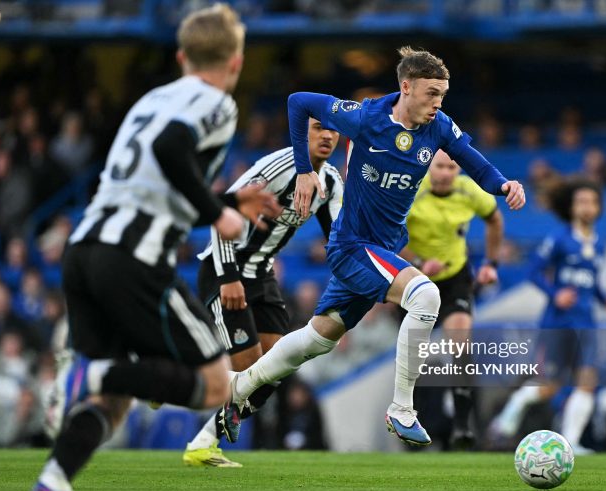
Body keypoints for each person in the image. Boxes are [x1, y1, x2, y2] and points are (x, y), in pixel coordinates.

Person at [27, 5, 277, 491]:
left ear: (182, 56)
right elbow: (171, 150)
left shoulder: (153, 99)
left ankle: (53, 485)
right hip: (134, 260)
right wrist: (219, 216)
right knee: (214, 384)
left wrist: (226, 203)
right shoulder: (217, 102)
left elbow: (159, 173)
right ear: (235, 62)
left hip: (86, 249)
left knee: (113, 399)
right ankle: (85, 373)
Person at [220, 47, 525, 448]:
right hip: (353, 246)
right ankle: (402, 409)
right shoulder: (365, 117)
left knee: (317, 339)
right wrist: (305, 171)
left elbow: (476, 164)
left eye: (442, 95)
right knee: (425, 296)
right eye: (432, 93)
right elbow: (298, 103)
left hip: (382, 249)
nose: (438, 103)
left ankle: (238, 389)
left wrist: (503, 185)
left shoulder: (439, 127)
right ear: (406, 87)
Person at [182, 117, 342, 467]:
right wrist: (228, 278)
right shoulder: (275, 167)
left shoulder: (331, 181)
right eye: (318, 127)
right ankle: (175, 367)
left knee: (273, 370)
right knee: (248, 368)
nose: (327, 135)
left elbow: (339, 242)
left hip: (263, 274)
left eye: (334, 128)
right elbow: (222, 212)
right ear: (303, 132)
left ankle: (204, 440)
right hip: (225, 268)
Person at [491, 181, 606, 454]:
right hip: (558, 322)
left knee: (588, 381)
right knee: (551, 386)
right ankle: (515, 406)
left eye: (592, 202)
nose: (587, 207)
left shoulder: (599, 244)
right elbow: (533, 272)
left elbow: (592, 281)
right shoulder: (559, 239)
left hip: (586, 322)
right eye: (582, 202)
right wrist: (555, 294)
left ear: (598, 208)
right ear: (572, 207)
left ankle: (571, 443)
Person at [401, 150, 504, 449]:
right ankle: (407, 417)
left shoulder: (469, 190)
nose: (446, 173)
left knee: (461, 342)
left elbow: (495, 220)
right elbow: (390, 235)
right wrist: (419, 261)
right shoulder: (412, 190)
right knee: (413, 352)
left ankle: (462, 423)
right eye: (440, 166)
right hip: (414, 278)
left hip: (455, 276)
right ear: (428, 166)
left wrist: (491, 264)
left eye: (452, 167)